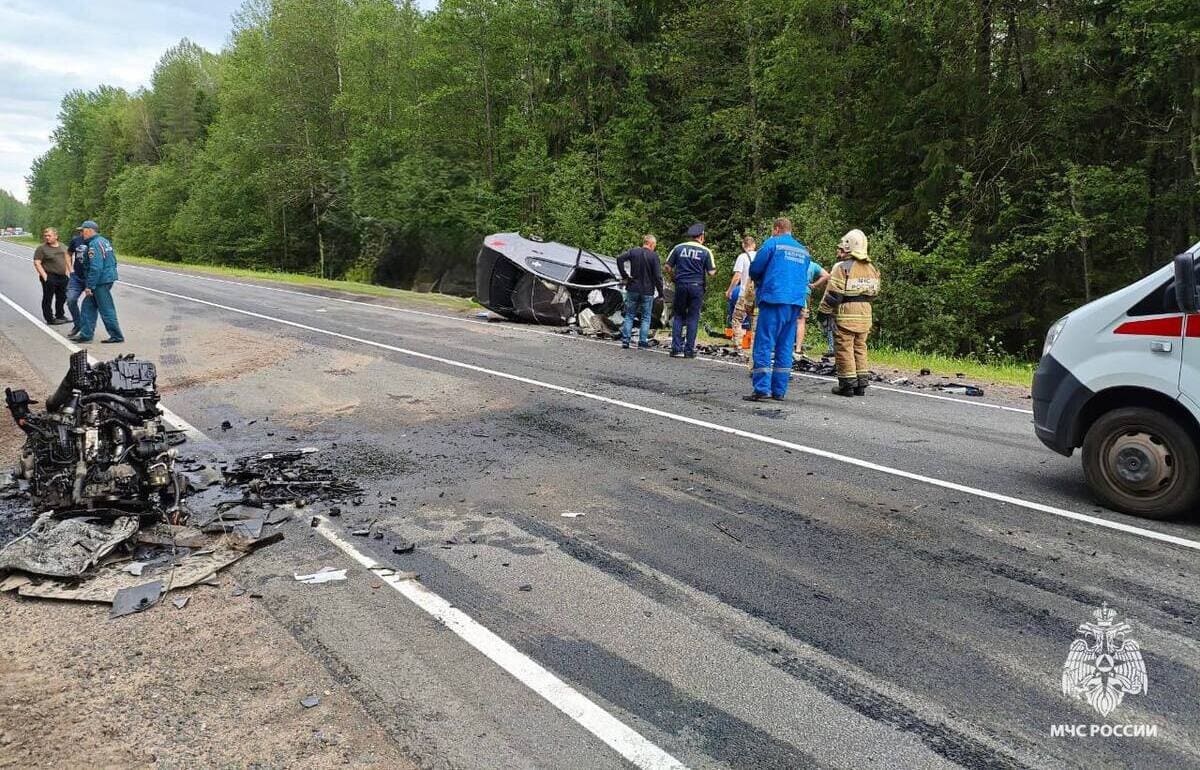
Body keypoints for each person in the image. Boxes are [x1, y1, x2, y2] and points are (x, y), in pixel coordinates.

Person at [744, 217, 812, 402]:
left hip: (774, 298)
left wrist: (759, 282)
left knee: (764, 343)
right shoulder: (803, 250)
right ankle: (779, 391)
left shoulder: (772, 244)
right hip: (795, 302)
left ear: (776, 229)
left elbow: (755, 269)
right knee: (785, 346)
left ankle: (761, 389)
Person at [817, 229, 881, 396]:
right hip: (865, 315)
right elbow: (874, 293)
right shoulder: (871, 268)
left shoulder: (842, 267)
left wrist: (823, 312)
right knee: (860, 347)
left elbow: (833, 294)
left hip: (846, 314)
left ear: (848, 246)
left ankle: (847, 385)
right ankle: (861, 383)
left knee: (844, 347)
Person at [664, 222, 716, 358]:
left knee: (678, 316)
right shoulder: (706, 251)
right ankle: (689, 350)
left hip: (681, 285)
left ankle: (675, 348)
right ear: (702, 236)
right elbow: (711, 272)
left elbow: (667, 267)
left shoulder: (678, 248)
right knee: (693, 317)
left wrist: (673, 277)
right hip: (696, 287)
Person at [70, 220, 125, 344]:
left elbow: (96, 267)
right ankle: (86, 334)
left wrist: (89, 285)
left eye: (83, 231)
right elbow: (113, 260)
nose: (81, 234)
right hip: (106, 278)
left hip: (100, 281)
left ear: (89, 230)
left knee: (106, 308)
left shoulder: (94, 245)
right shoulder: (105, 241)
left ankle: (116, 335)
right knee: (87, 306)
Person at [616, 234, 664, 349]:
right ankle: (642, 342)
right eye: (654, 245)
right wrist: (661, 292)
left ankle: (625, 341)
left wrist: (625, 276)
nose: (654, 247)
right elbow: (657, 276)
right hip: (647, 291)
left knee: (629, 315)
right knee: (646, 317)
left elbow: (619, 259)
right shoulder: (654, 256)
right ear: (651, 244)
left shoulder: (634, 252)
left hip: (633, 288)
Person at [33, 228, 70, 325]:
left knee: (62, 297)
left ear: (56, 236)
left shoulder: (63, 246)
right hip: (50, 275)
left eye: (49, 236)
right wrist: (45, 276)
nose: (47, 238)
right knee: (48, 297)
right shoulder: (41, 248)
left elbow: (68, 259)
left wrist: (67, 272)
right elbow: (37, 263)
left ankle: (60, 315)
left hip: (62, 276)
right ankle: (49, 318)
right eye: (45, 236)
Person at [794, 257, 830, 356]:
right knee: (801, 321)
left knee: (787, 319)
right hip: (805, 293)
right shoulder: (813, 265)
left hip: (791, 291)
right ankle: (798, 349)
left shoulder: (794, 261)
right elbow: (827, 275)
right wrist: (814, 285)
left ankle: (783, 346)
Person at [725, 235, 756, 336]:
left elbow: (737, 277)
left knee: (737, 320)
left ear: (743, 245)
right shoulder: (760, 256)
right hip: (758, 294)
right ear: (754, 245)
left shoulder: (742, 257)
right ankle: (752, 344)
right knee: (755, 320)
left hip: (744, 293)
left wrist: (729, 291)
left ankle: (738, 347)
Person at [65, 226, 88, 335]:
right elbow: (68, 254)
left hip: (90, 277)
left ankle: (87, 330)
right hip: (76, 277)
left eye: (82, 230)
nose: (81, 232)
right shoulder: (76, 240)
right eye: (80, 231)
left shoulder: (96, 241)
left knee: (91, 305)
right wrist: (70, 269)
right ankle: (77, 324)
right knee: (71, 300)